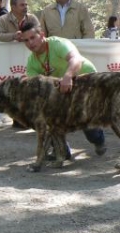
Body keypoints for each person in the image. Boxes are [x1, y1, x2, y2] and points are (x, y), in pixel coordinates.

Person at [19, 20, 106, 158]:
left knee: (86, 122)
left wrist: (67, 76)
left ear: (41, 35)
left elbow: (76, 59)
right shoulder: (32, 62)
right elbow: (35, 86)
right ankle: (62, 150)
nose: (30, 43)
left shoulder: (57, 43)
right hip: (61, 88)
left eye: (32, 37)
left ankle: (98, 140)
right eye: (26, 40)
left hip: (85, 80)